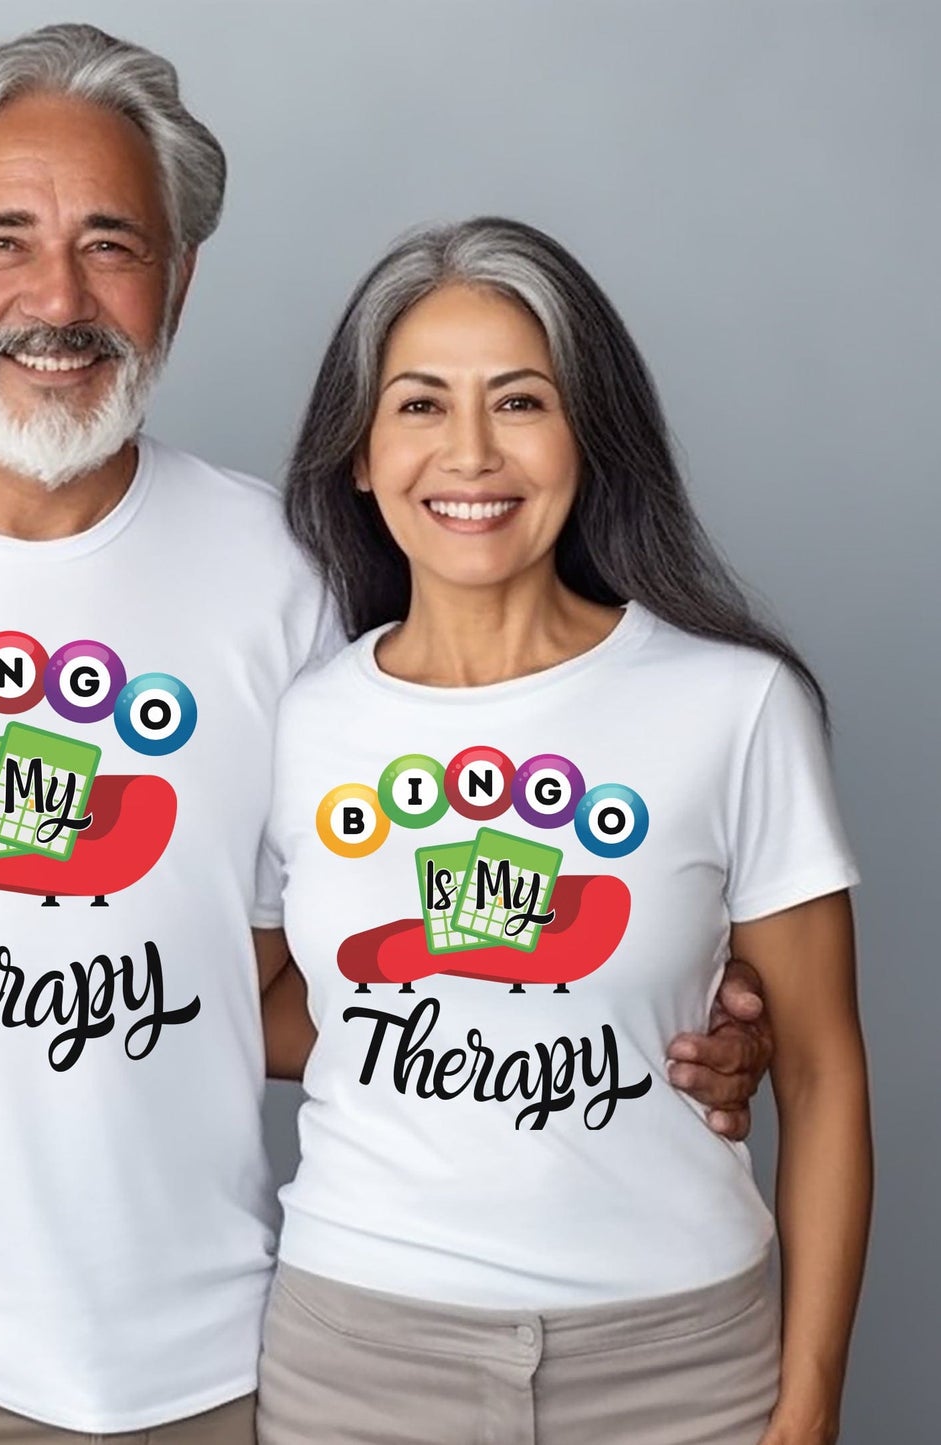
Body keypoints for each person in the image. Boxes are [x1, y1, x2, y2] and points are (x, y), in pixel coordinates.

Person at [0, 26, 772, 1445]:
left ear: (181, 279)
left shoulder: (294, 571)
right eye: (0, 241)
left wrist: (651, 1007)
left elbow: (302, 983)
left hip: (230, 1374)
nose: (58, 298)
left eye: (112, 244)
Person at [253, 217, 872, 1445]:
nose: (468, 452)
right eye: (419, 405)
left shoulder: (731, 703)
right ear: (361, 456)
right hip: (358, 1360)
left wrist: (808, 1403)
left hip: (682, 1361)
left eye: (519, 400)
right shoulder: (298, 719)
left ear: (587, 436)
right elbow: (272, 1003)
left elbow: (818, 1069)